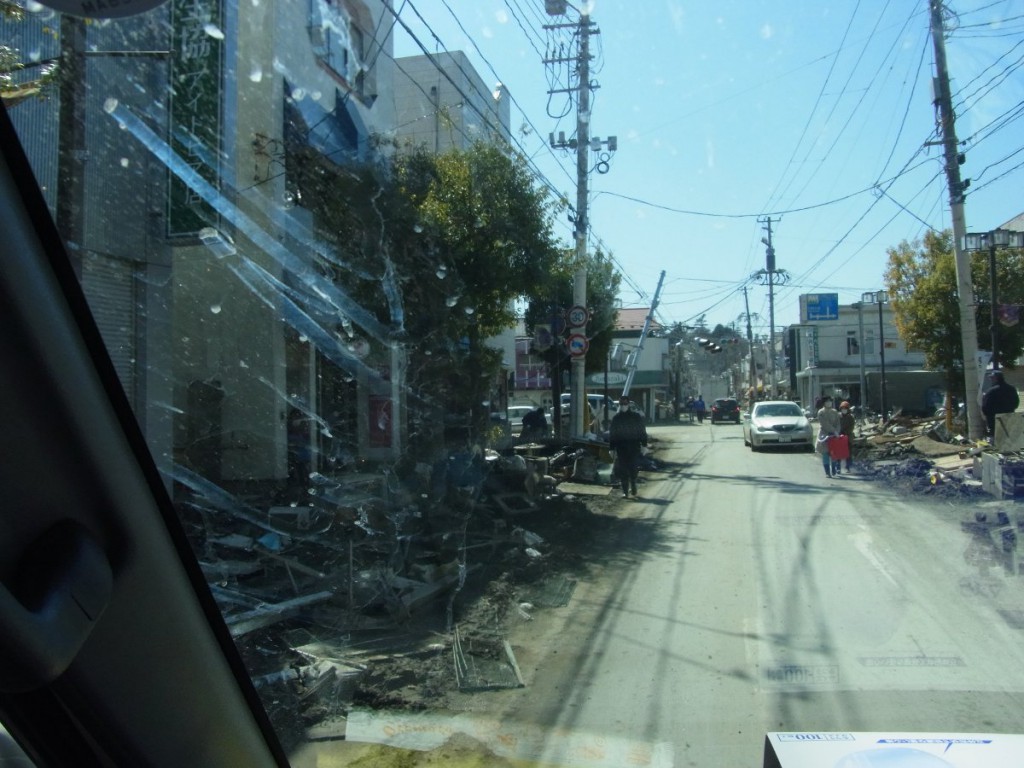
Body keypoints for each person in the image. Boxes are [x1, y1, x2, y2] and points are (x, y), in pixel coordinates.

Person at [609, 395, 648, 498]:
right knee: (623, 470)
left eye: (625, 404)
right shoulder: (616, 418)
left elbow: (642, 431)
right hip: (621, 448)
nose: (623, 406)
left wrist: (644, 444)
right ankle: (625, 491)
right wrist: (611, 448)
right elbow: (613, 434)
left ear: (628, 404)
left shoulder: (636, 417)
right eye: (621, 404)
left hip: (634, 447)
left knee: (633, 468)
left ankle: (633, 484)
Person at [981, 370, 1020, 440]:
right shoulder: (1012, 389)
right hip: (1009, 418)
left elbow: (985, 407)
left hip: (994, 421)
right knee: (1009, 440)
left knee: (996, 441)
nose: (991, 380)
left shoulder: (991, 391)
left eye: (992, 378)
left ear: (996, 378)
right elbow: (1016, 403)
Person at [816, 396, 842, 478]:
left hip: (834, 435)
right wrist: (833, 430)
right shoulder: (821, 412)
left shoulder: (835, 412)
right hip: (824, 434)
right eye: (827, 402)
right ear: (824, 403)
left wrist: (837, 431)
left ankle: (834, 468)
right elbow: (824, 424)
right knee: (825, 453)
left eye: (830, 401)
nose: (829, 403)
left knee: (833, 453)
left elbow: (838, 423)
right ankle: (827, 472)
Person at [838, 400, 856, 473]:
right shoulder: (838, 416)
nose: (844, 410)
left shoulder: (851, 417)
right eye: (842, 408)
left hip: (848, 437)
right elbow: (836, 424)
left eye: (845, 408)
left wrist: (845, 432)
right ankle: (838, 467)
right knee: (838, 452)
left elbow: (851, 427)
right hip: (839, 436)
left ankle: (848, 467)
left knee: (848, 453)